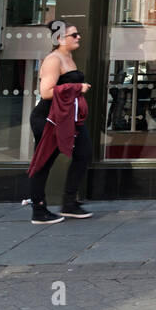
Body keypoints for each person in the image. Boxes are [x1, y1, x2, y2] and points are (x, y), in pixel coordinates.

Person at [25, 25, 94, 224]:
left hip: (67, 118)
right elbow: (46, 91)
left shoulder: (68, 57)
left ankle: (69, 203)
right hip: (49, 119)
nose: (78, 36)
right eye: (74, 34)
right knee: (43, 162)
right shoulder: (53, 60)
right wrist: (77, 87)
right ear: (60, 39)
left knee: (84, 153)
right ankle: (38, 210)